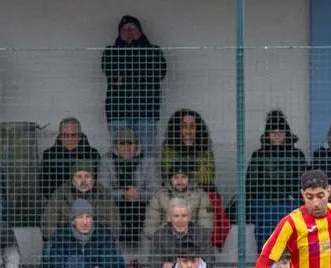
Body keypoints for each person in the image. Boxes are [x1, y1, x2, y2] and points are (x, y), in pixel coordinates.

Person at [40, 199, 129, 268]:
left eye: (88, 217)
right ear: (73, 221)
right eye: (80, 217)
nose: (85, 221)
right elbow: (57, 265)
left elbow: (109, 265)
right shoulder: (61, 235)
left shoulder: (104, 234)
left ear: (93, 219)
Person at [102, 15, 167, 157]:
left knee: (147, 154)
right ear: (119, 33)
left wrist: (138, 46)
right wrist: (141, 73)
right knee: (118, 155)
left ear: (141, 31)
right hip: (118, 113)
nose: (129, 31)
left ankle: (147, 180)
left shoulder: (153, 50)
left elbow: (160, 72)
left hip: (146, 112)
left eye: (132, 28)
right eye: (125, 29)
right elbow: (110, 70)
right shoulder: (110, 51)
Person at [246, 110, 308, 248]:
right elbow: (251, 182)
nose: (278, 136)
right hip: (265, 203)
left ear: (286, 134)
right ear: (268, 135)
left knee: (291, 236)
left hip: (290, 201)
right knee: (266, 238)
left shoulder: (297, 155)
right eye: (274, 133)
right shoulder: (258, 155)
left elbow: (303, 181)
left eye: (281, 133)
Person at [100, 128, 158, 248]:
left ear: (137, 145)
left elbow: (155, 189)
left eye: (130, 143)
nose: (126, 147)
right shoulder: (107, 160)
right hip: (115, 204)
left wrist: (139, 195)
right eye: (122, 143)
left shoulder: (148, 160)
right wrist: (123, 194)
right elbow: (102, 190)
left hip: (142, 204)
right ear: (116, 146)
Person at [41, 161, 121, 242]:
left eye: (87, 176)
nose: (83, 181)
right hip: (65, 243)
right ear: (72, 180)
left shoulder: (104, 195)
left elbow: (114, 226)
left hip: (96, 243)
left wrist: (93, 237)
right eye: (79, 176)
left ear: (93, 180)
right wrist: (68, 237)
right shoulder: (59, 195)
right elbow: (47, 226)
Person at [142, 159, 214, 242]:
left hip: (192, 242)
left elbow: (206, 225)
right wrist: (166, 238)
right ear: (170, 179)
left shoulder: (202, 196)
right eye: (176, 177)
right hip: (165, 242)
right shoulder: (158, 196)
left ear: (189, 178)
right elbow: (150, 227)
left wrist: (190, 238)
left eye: (183, 177)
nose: (180, 181)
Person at [148, 199, 213, 268]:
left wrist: (172, 267)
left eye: (184, 215)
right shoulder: (159, 236)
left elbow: (209, 265)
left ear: (189, 217)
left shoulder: (201, 234)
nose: (180, 219)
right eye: (176, 216)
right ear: (169, 217)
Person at [38, 117, 103, 201]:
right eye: (65, 135)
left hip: (88, 202)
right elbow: (45, 185)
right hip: (59, 203)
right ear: (60, 135)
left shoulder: (93, 154)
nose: (70, 139)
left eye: (73, 135)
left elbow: (98, 184)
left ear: (80, 135)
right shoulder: (49, 154)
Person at [160, 109, 216, 191]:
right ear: (177, 129)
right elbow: (167, 174)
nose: (188, 131)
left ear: (198, 129)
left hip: (200, 193)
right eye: (184, 127)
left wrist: (182, 169)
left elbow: (208, 178)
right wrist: (196, 168)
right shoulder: (169, 148)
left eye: (192, 127)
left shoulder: (206, 151)